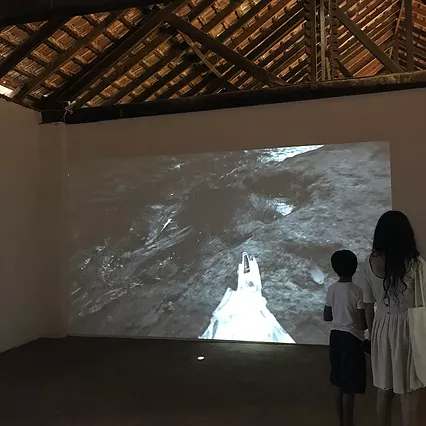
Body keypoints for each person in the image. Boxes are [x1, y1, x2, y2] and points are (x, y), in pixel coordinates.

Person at [361, 210, 425, 426]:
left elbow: (368, 303)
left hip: (381, 325)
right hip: (408, 328)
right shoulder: (417, 264)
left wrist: (371, 335)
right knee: (409, 391)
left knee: (383, 390)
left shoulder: (369, 261)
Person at [324, 250, 367, 426]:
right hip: (352, 340)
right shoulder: (358, 292)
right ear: (355, 268)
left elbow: (327, 316)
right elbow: (363, 323)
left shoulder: (332, 289)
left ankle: (340, 421)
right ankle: (349, 423)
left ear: (334, 269)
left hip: (335, 337)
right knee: (350, 387)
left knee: (338, 382)